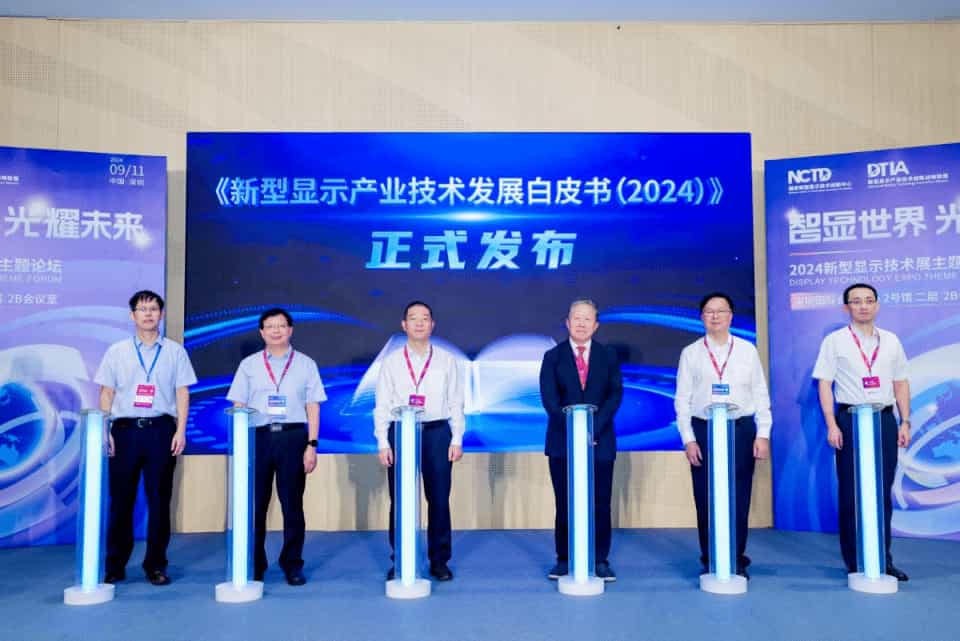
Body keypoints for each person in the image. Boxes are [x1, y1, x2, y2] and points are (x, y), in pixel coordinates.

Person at [95, 290, 197, 586]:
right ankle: (115, 565)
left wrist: (180, 430)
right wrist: (105, 430)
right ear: (132, 315)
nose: (148, 314)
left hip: (161, 431)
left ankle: (156, 565)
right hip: (124, 432)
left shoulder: (175, 351)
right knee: (120, 501)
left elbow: (182, 392)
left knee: (160, 501)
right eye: (142, 309)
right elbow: (106, 393)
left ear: (161, 314)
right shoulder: (117, 351)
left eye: (153, 309)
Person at [813, 283, 911, 581]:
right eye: (856, 301)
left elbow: (900, 383)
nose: (863, 306)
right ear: (847, 308)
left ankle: (882, 559)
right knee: (851, 491)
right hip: (850, 419)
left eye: (869, 300)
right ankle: (856, 560)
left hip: (883, 419)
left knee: (881, 490)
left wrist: (905, 421)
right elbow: (824, 383)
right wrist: (831, 423)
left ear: (877, 305)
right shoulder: (835, 341)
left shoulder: (891, 340)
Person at [674, 292, 771, 579]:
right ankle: (710, 556)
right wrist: (688, 438)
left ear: (731, 316)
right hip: (704, 430)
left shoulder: (747, 350)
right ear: (701, 317)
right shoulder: (691, 353)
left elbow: (760, 392)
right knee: (705, 496)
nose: (715, 316)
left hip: (740, 429)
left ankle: (736, 557)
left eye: (721, 311)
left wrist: (763, 433)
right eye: (709, 311)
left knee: (739, 494)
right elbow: (682, 399)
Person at [226, 308, 326, 586]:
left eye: (281, 326)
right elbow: (238, 404)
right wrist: (241, 444)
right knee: (255, 504)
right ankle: (254, 563)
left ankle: (292, 563)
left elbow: (313, 406)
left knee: (292, 504)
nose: (276, 331)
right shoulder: (249, 365)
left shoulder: (306, 364)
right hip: (258, 437)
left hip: (293, 438)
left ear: (290, 330)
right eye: (270, 326)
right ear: (262, 332)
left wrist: (312, 444)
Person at [375, 301, 464, 582]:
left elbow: (456, 401)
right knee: (400, 499)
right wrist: (383, 442)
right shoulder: (391, 362)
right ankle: (401, 557)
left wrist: (457, 437)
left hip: (437, 433)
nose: (419, 323)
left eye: (425, 318)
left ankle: (439, 561)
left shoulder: (447, 360)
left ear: (432, 325)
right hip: (402, 432)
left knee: (439, 499)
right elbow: (382, 404)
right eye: (413, 318)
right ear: (404, 325)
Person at [539, 298, 623, 581]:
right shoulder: (552, 357)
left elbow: (614, 395)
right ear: (567, 322)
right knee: (565, 501)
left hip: (600, 440)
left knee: (600, 502)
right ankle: (564, 558)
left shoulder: (608, 356)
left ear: (596, 325)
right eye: (577, 318)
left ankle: (600, 559)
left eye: (588, 319)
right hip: (562, 441)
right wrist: (575, 431)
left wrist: (592, 429)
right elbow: (550, 399)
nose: (582, 324)